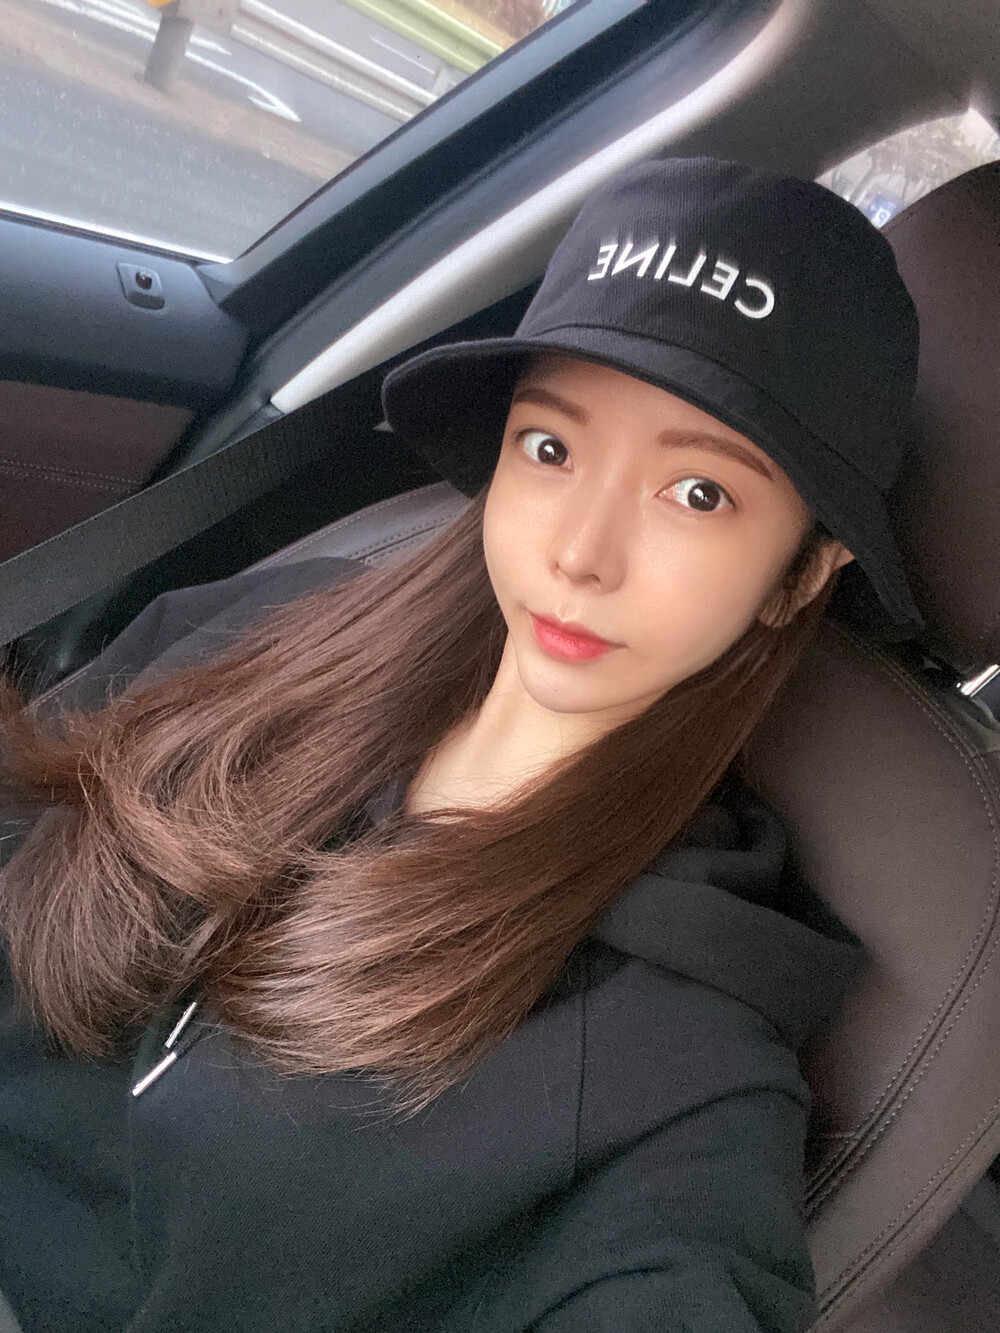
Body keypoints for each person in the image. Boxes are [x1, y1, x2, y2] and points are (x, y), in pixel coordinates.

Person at [0, 156, 920, 1333]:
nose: (579, 552)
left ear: (799, 573)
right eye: (551, 447)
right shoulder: (290, 623)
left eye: (697, 494)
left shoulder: (677, 1061)